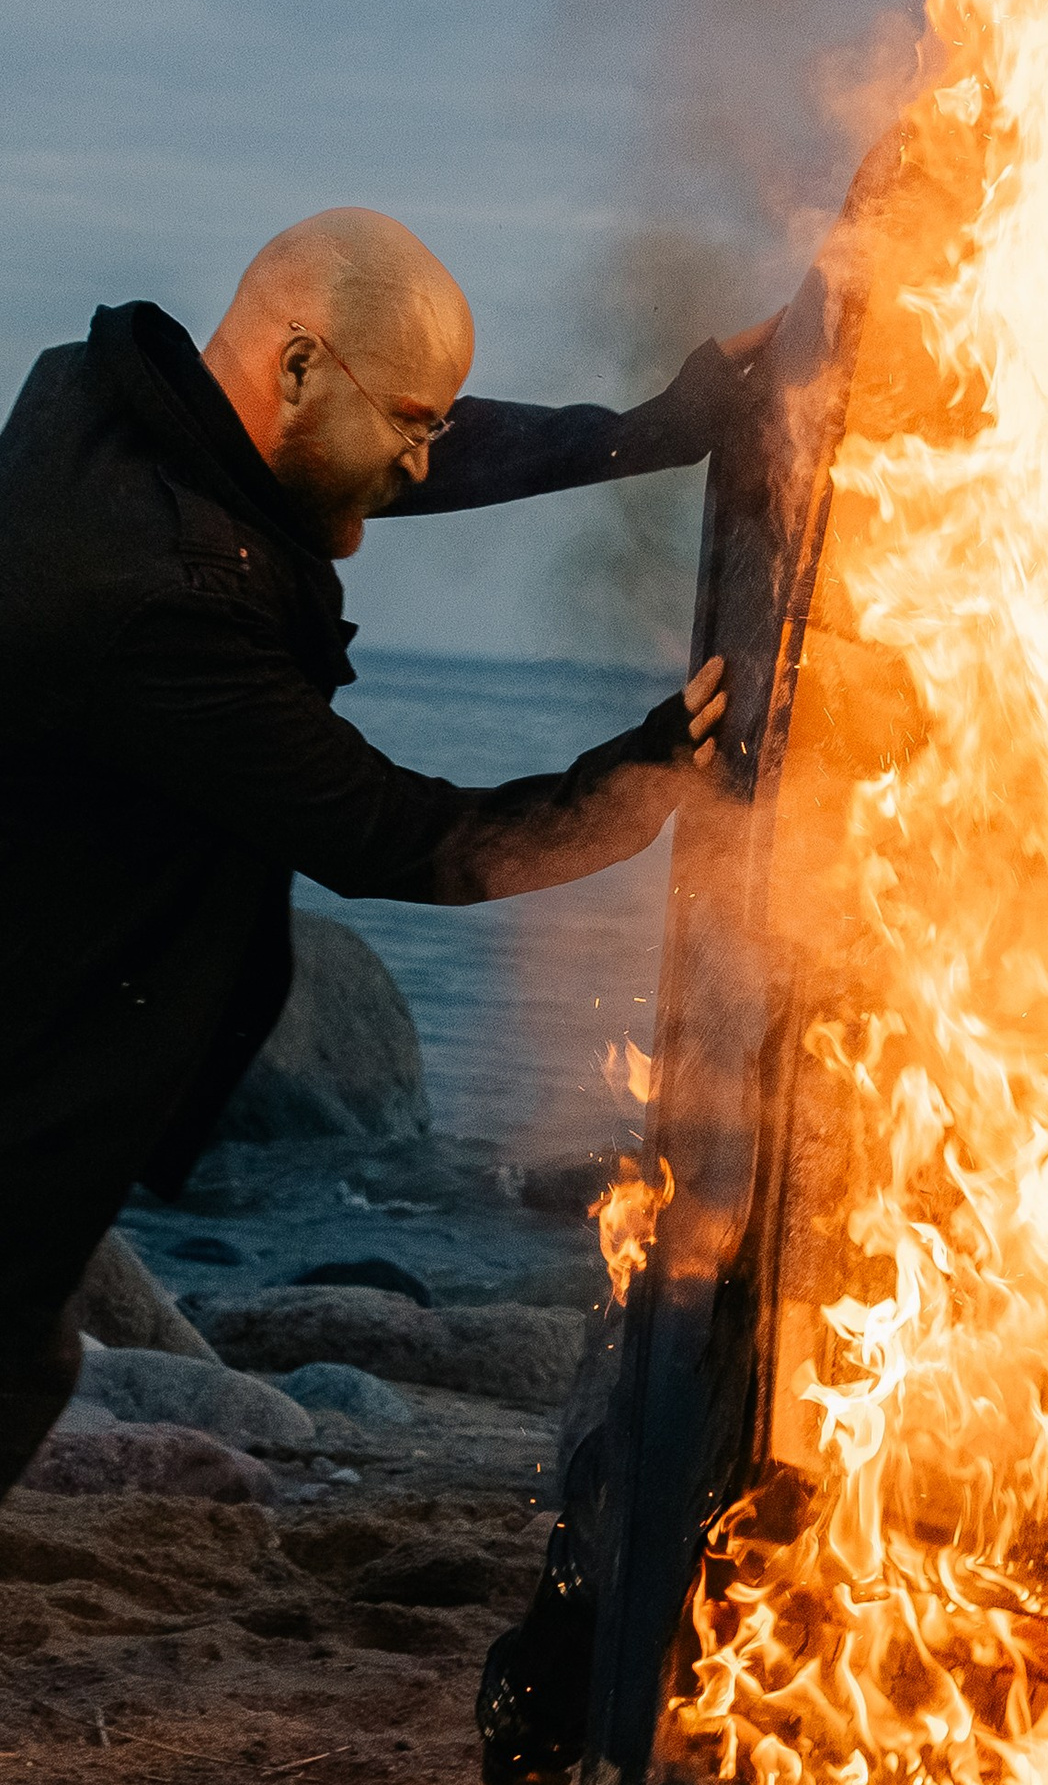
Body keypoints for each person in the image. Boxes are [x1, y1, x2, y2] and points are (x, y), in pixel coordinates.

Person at [0, 204, 766, 1501]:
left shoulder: (105, 407)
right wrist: (646, 776)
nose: (423, 461)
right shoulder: (158, 599)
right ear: (298, 368)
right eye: (412, 419)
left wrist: (657, 424)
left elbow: (367, 459)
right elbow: (406, 840)